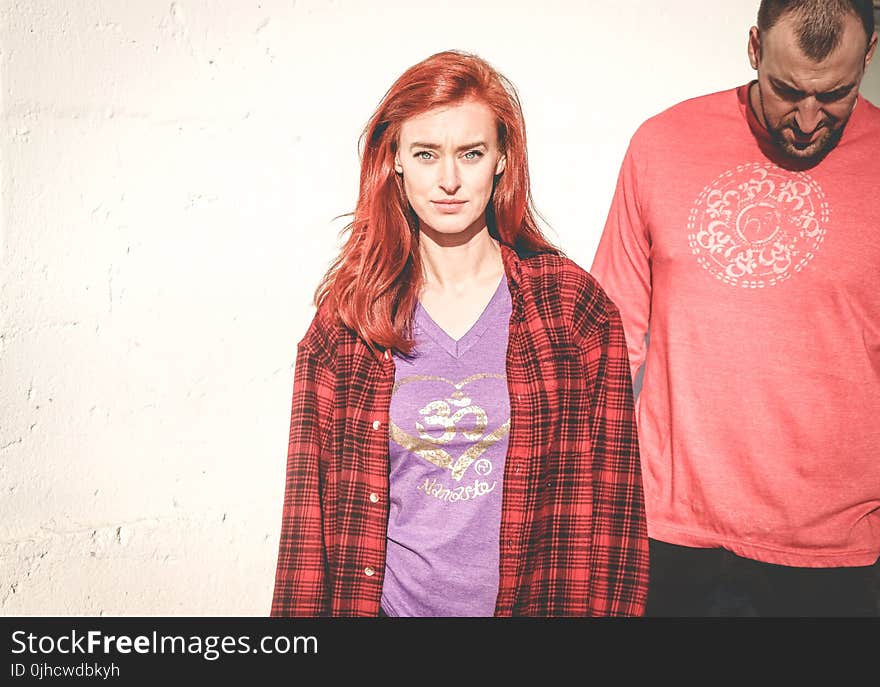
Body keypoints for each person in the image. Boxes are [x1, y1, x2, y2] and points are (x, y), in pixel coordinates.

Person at [271, 50, 648, 617]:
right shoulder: (348, 321)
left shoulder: (572, 310)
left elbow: (616, 513)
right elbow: (306, 523)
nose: (449, 180)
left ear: (501, 160)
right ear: (395, 161)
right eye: (426, 154)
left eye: (470, 154)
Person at [591, 0, 880, 616]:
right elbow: (609, 343)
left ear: (870, 58)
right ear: (754, 49)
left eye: (835, 95)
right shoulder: (662, 143)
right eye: (786, 90)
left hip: (840, 553)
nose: (806, 120)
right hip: (672, 538)